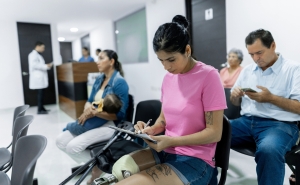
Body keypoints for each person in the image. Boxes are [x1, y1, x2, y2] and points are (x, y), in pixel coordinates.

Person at [112, 15, 227, 185]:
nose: (166, 67)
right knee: (120, 169)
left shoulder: (209, 76)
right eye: (161, 60)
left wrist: (172, 140)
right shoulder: (168, 78)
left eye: (171, 60)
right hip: (166, 149)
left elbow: (215, 133)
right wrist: (151, 129)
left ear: (187, 51)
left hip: (196, 159)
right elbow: (163, 120)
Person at [229, 29, 300, 185]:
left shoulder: (294, 69)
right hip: (246, 122)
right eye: (251, 54)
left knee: (269, 150)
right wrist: (234, 97)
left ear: (273, 46)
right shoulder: (248, 71)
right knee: (211, 132)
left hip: (279, 125)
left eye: (259, 53)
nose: (255, 58)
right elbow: (235, 103)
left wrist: (271, 98)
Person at [56, 49, 129, 184]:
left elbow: (120, 114)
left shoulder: (119, 82)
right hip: (93, 119)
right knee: (60, 140)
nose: (97, 61)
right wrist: (87, 110)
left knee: (73, 147)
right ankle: (99, 163)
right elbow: (89, 100)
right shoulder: (100, 78)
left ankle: (98, 167)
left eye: (101, 58)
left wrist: (95, 112)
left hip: (110, 125)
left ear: (111, 62)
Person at [28, 41, 53, 114]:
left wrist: (46, 66)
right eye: (42, 47)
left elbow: (39, 65)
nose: (43, 49)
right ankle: (39, 110)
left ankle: (42, 108)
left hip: (40, 78)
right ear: (37, 46)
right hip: (38, 78)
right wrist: (46, 66)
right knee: (40, 94)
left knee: (42, 94)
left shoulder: (38, 55)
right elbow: (34, 65)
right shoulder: (33, 55)